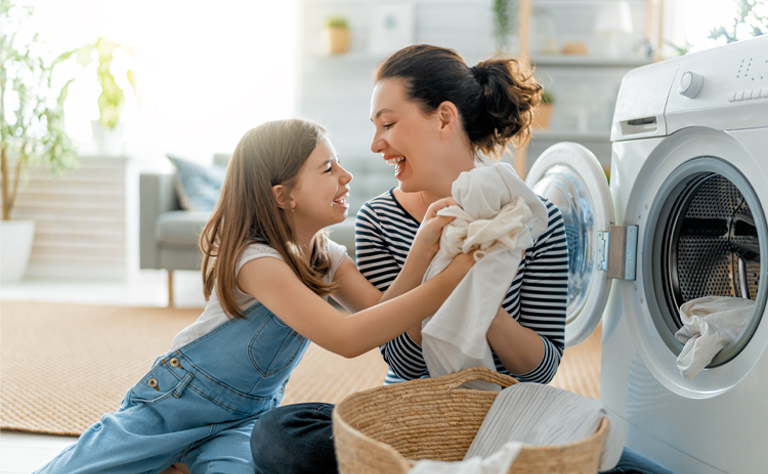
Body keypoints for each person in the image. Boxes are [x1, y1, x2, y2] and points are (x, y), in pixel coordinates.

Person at [251, 46, 677, 474]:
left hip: (507, 415)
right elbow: (404, 361)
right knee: (281, 435)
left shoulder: (530, 215)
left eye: (388, 124)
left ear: (444, 118)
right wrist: (433, 262)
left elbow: (541, 368)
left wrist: (481, 298)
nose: (376, 143)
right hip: (414, 418)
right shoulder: (379, 219)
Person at [33, 118, 474, 474]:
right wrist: (450, 279)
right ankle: (170, 455)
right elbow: (346, 338)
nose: (346, 176)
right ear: (284, 196)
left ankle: (180, 463)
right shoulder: (256, 260)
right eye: (327, 169)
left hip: (246, 417)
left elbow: (381, 317)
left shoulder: (325, 254)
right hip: (178, 403)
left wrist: (422, 249)